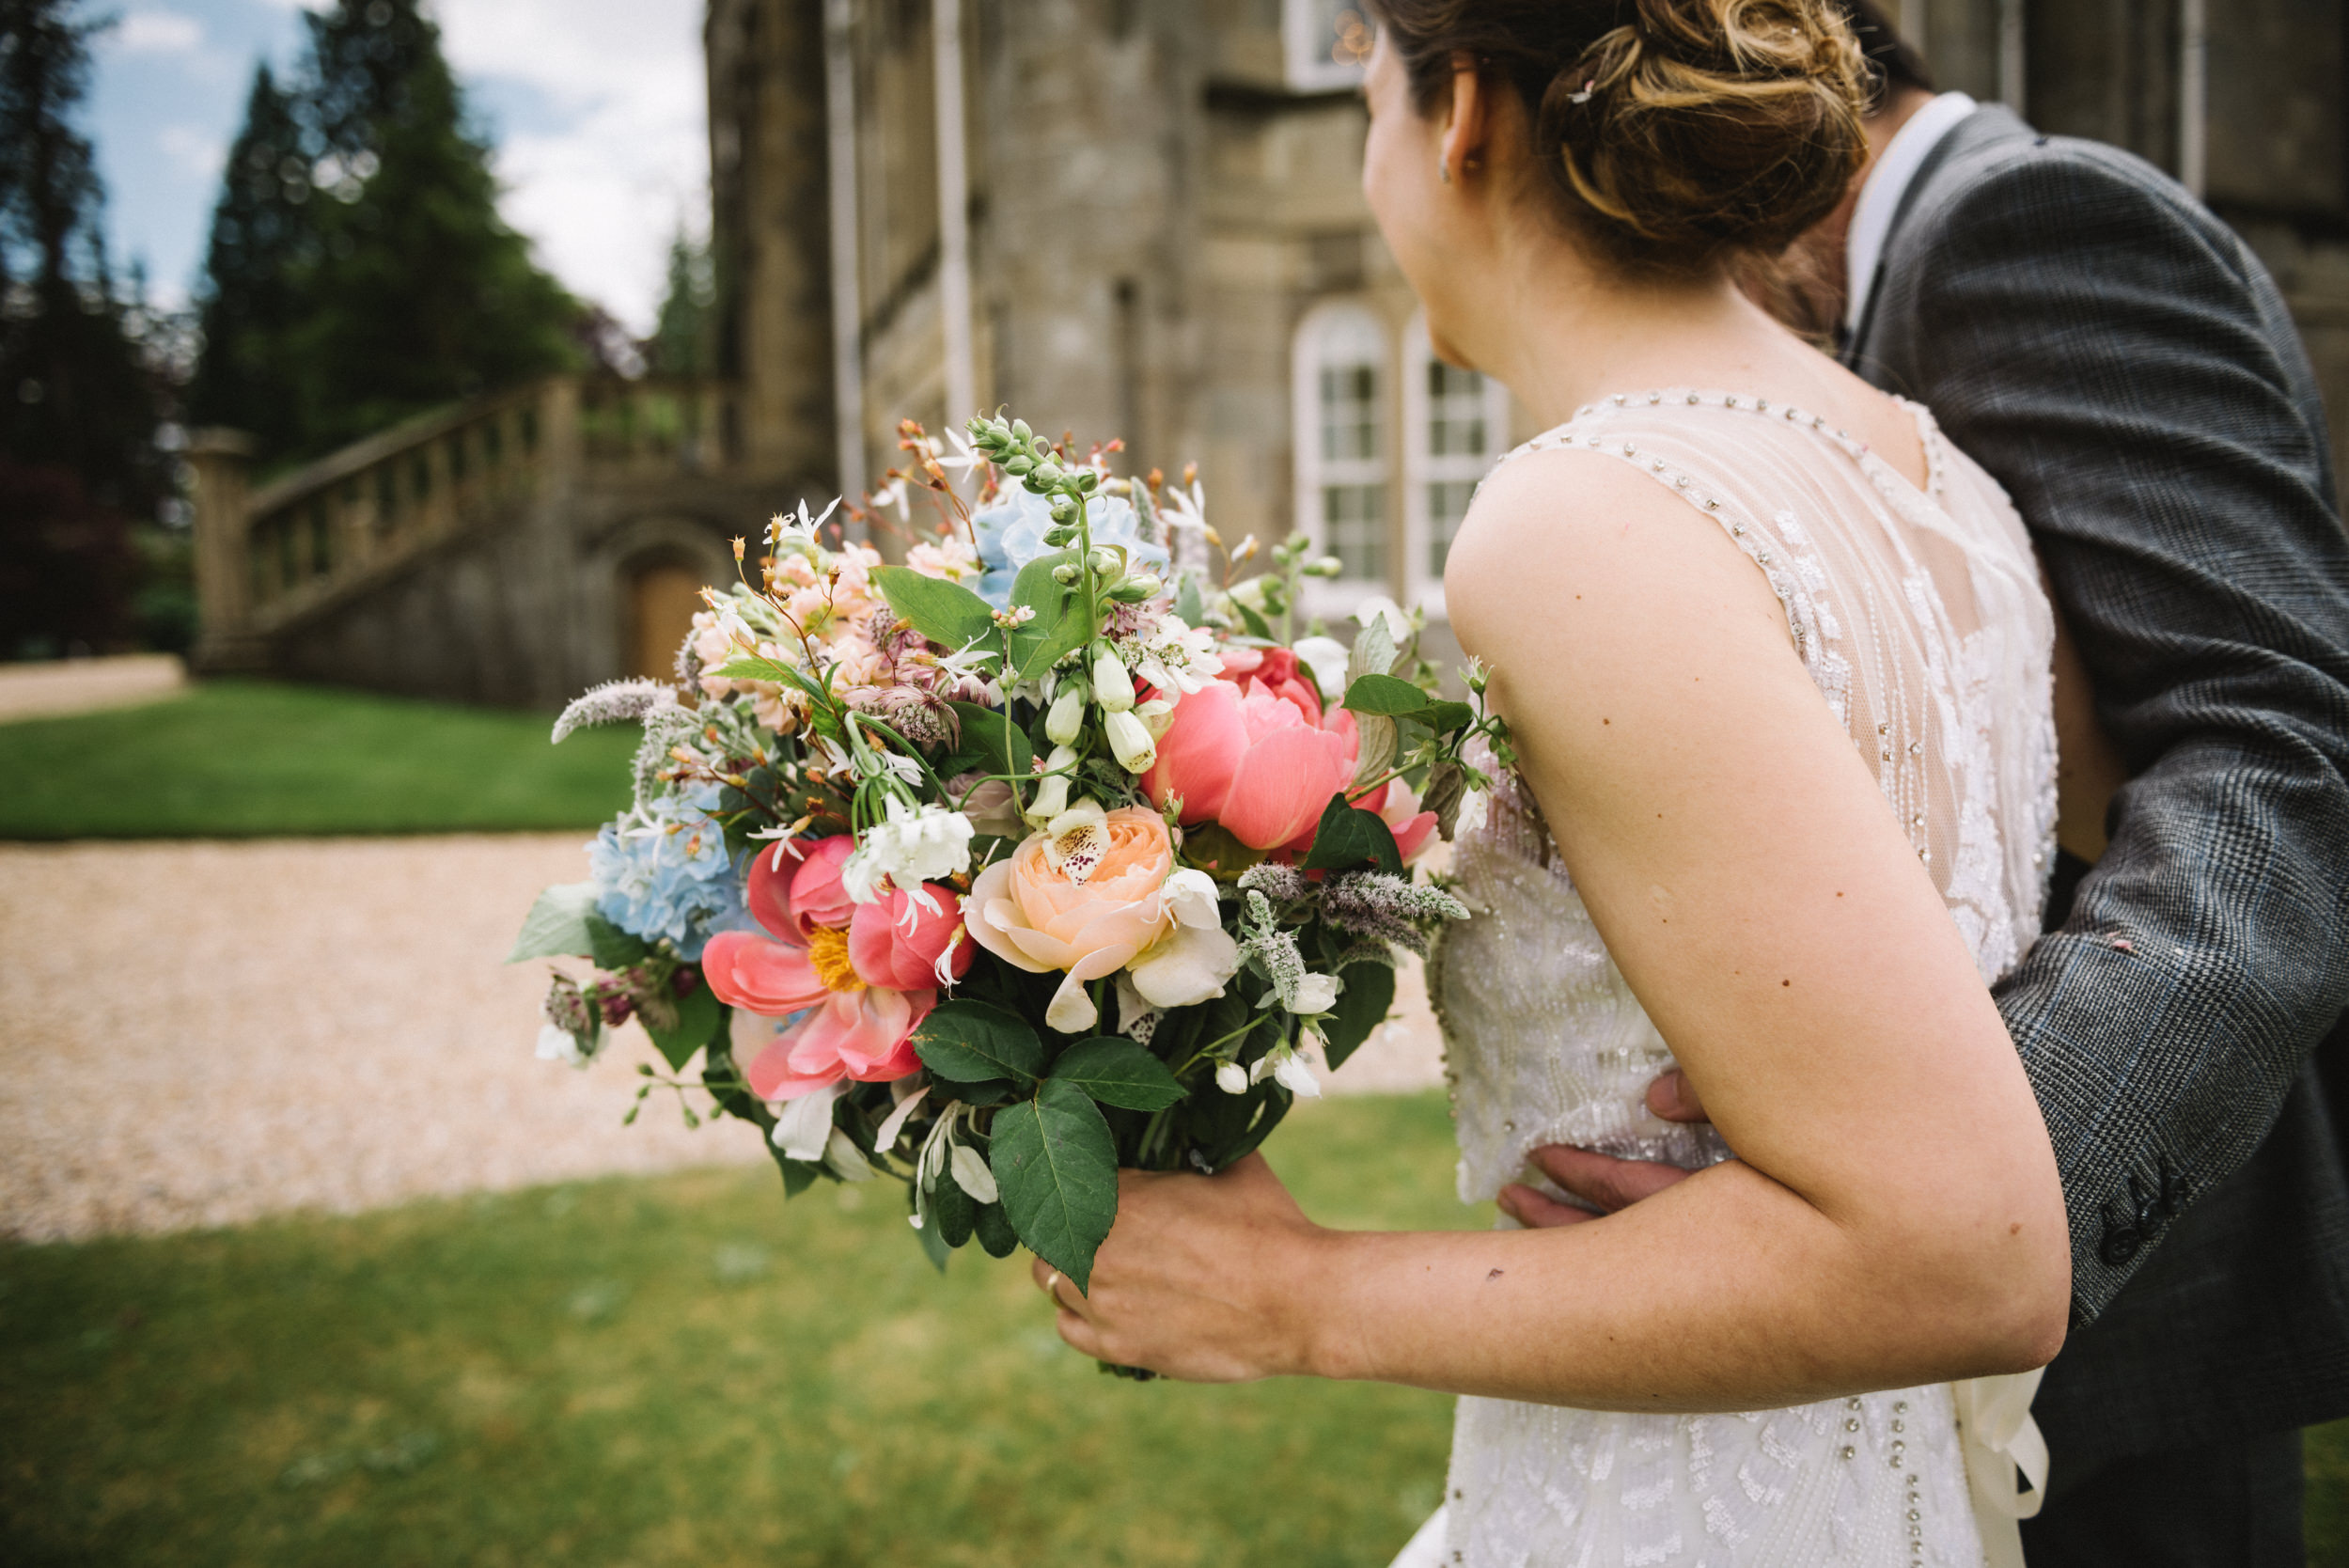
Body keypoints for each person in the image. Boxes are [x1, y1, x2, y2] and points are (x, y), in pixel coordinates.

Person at [1030, 2, 2091, 1562]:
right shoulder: (1942, 480)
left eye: (1366, 93)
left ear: (1459, 111)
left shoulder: (1585, 521)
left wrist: (1299, 1297)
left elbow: (1961, 1256)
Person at [1504, 5, 2349, 1563]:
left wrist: (1951, 1162)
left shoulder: (2030, 224)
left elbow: (2283, 753)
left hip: (2141, 1313)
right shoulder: (1904, 299)